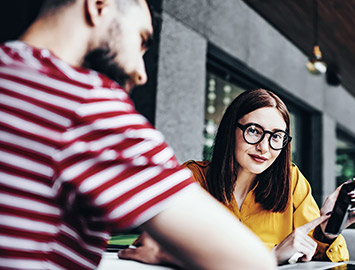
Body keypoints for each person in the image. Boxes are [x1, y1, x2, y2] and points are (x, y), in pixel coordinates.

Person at [0, 1, 276, 269]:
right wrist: (170, 254)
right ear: (98, 6)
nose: (141, 73)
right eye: (142, 40)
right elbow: (252, 263)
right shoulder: (84, 101)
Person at [119, 89, 355, 266]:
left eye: (276, 136)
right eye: (253, 131)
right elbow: (153, 248)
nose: (264, 147)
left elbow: (318, 260)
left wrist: (327, 232)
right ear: (232, 129)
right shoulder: (193, 178)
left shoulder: (292, 181)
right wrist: (270, 255)